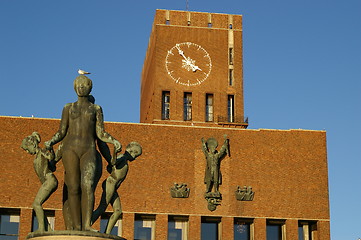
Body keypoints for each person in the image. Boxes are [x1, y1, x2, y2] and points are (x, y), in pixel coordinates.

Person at [45, 75, 121, 231]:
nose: (81, 87)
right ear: (74, 88)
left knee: (88, 186)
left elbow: (100, 133)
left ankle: (86, 225)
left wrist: (113, 141)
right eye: (78, 85)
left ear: (90, 87)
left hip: (89, 150)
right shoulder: (68, 108)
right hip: (70, 150)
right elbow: (61, 131)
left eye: (85, 85)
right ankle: (77, 226)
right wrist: (50, 142)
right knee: (73, 187)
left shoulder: (96, 109)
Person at [92, 142, 142, 234]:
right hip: (110, 184)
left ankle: (107, 233)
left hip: (113, 187)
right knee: (102, 207)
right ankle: (87, 224)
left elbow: (110, 167)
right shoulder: (122, 157)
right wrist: (115, 152)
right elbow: (113, 162)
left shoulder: (124, 160)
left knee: (118, 211)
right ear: (131, 151)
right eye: (136, 155)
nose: (135, 158)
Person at [21, 132, 58, 233]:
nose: (28, 152)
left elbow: (51, 157)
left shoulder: (42, 152)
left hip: (50, 180)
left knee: (36, 204)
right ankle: (48, 229)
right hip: (48, 181)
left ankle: (42, 229)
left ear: (33, 144)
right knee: (38, 204)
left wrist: (50, 147)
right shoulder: (37, 156)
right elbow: (51, 166)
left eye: (27, 149)